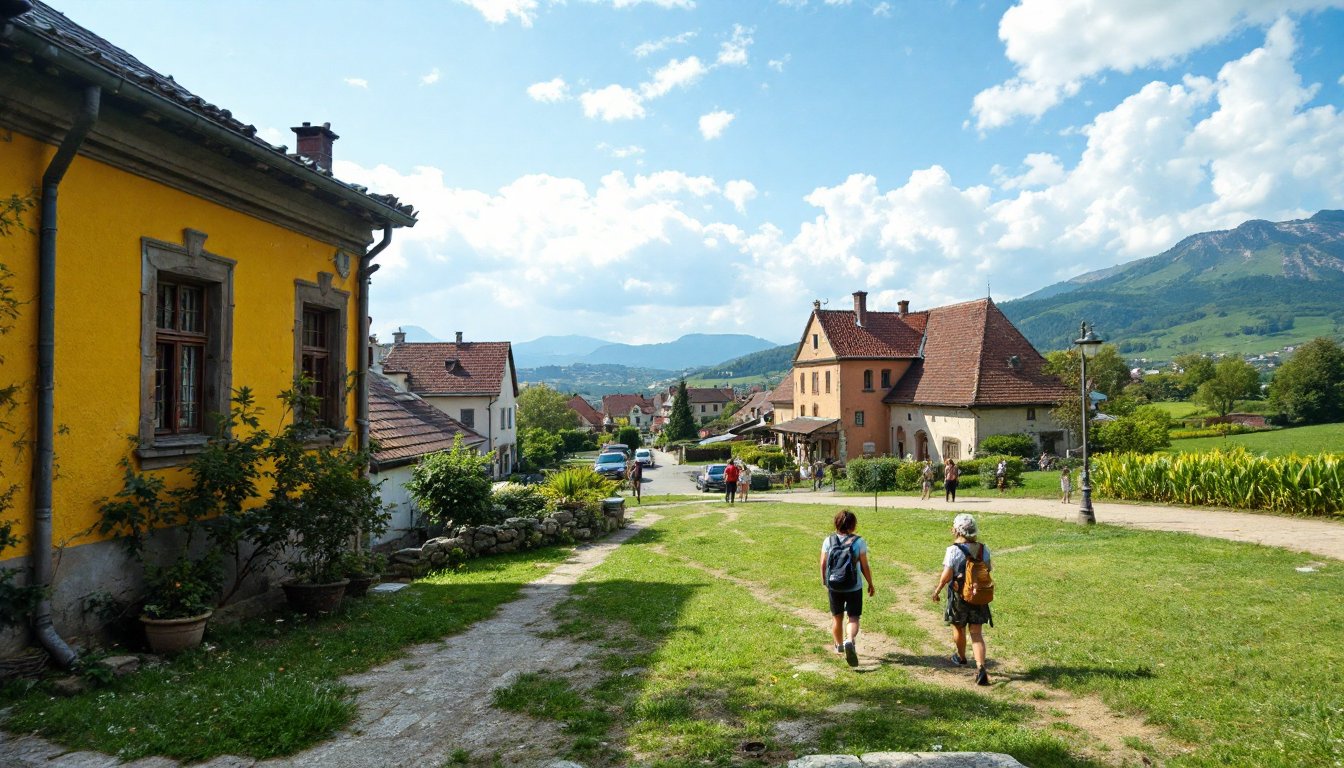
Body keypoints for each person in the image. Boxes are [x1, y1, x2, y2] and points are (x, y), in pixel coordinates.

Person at [930, 513, 992, 686]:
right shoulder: (983, 549)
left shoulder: (953, 550)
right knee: (977, 633)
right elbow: (987, 570)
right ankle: (981, 668)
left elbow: (946, 575)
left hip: (959, 597)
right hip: (979, 596)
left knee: (959, 628)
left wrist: (937, 590)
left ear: (956, 530)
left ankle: (961, 657)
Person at [820, 509, 875, 668]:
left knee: (837, 617)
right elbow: (864, 566)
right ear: (853, 525)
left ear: (836, 523)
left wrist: (825, 581)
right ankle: (850, 639)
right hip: (853, 586)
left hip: (834, 585)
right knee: (853, 617)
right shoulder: (859, 542)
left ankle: (839, 646)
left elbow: (823, 563)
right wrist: (870, 583)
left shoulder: (828, 541)